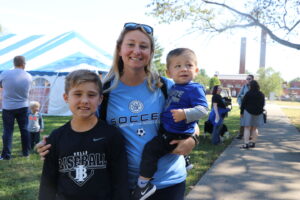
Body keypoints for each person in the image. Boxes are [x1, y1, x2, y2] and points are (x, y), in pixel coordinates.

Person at [37, 22, 197, 200]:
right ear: (119, 49)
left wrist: (193, 139)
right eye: (130, 44)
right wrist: (55, 146)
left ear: (151, 52)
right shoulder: (104, 92)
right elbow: (85, 129)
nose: (136, 51)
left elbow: (193, 118)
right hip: (123, 184)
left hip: (169, 182)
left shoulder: (167, 87)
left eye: (143, 46)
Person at [38, 69, 129, 200]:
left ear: (100, 99)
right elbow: (48, 183)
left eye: (91, 95)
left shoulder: (112, 135)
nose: (85, 100)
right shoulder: (56, 137)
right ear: (66, 97)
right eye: (78, 94)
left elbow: (120, 181)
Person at [132, 48, 208, 199]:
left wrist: (185, 114)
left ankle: (143, 184)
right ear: (169, 73)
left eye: (189, 65)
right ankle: (185, 160)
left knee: (150, 150)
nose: (184, 69)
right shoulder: (173, 86)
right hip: (168, 128)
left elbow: (204, 110)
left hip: (176, 132)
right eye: (178, 66)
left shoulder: (195, 88)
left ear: (196, 69)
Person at [0, 55, 32, 160]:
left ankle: (6, 155)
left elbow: (1, 86)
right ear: (23, 64)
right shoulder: (28, 76)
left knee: (8, 131)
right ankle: (26, 152)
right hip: (23, 106)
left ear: (14, 63)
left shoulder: (4, 74)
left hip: (8, 107)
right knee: (24, 130)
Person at [240, 80, 265, 149]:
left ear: (251, 86)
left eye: (249, 85)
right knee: (255, 128)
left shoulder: (248, 93)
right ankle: (253, 143)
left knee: (247, 128)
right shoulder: (261, 94)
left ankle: (246, 144)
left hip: (248, 112)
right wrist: (260, 110)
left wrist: (241, 112)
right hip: (258, 112)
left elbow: (243, 104)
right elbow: (263, 104)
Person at [236, 74, 254, 139]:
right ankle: (241, 134)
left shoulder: (255, 87)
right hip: (244, 107)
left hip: (252, 108)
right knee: (242, 121)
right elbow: (239, 96)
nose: (248, 80)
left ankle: (250, 135)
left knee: (251, 121)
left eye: (249, 79)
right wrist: (240, 104)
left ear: (252, 79)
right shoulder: (244, 87)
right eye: (247, 79)